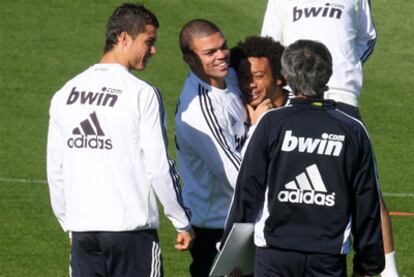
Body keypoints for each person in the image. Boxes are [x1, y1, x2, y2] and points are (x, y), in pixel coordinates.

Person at [47, 3, 193, 276]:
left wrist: (70, 224)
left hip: (83, 234)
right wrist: (181, 221)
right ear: (124, 38)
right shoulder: (141, 93)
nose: (154, 50)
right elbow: (160, 166)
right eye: (148, 41)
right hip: (131, 235)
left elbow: (55, 170)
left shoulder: (64, 93)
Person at [223, 39, 385, 276]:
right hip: (327, 258)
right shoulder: (352, 130)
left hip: (274, 255)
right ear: (328, 75)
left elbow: (246, 191)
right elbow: (366, 202)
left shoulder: (270, 123)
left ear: (286, 76)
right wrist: (368, 265)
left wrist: (231, 257)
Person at [261, 2, 399, 275]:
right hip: (296, 95)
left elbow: (366, 37)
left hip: (342, 96)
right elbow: (271, 44)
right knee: (292, 182)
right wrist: (296, 80)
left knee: (369, 188)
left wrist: (337, 73)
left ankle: (389, 271)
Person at [175, 19, 265, 277]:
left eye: (222, 47)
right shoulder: (198, 113)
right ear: (189, 60)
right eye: (209, 52)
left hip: (239, 218)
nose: (222, 56)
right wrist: (260, 125)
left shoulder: (232, 77)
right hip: (216, 227)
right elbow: (237, 174)